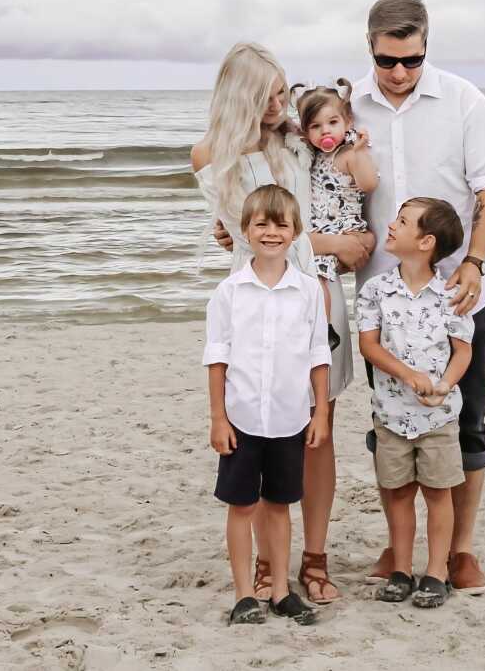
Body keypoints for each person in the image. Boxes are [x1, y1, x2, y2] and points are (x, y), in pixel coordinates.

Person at [192, 42, 369, 604]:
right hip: (253, 301)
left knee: (315, 430)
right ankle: (269, 563)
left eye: (281, 90)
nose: (279, 102)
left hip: (314, 293)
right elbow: (250, 233)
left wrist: (348, 233)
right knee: (255, 426)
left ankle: (313, 556)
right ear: (241, 94)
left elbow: (343, 186)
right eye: (268, 93)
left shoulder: (297, 141)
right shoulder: (209, 155)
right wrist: (337, 242)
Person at [352, 0, 485, 595]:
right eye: (389, 60)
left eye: (412, 61)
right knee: (390, 424)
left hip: (458, 292)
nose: (399, 73)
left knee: (463, 424)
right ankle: (399, 549)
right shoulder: (348, 106)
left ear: (425, 49)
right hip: (381, 297)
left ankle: (459, 552)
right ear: (371, 46)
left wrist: (473, 261)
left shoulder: (464, 100)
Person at [205, 185, 330, 625]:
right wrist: (219, 418)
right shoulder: (229, 292)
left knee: (279, 505)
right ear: (245, 230)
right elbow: (217, 357)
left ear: (295, 232)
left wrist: (321, 413)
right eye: (261, 223)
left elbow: (319, 354)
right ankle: (244, 594)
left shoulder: (309, 291)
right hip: (241, 418)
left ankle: (280, 590)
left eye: (281, 224)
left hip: (290, 417)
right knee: (242, 506)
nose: (271, 232)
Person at [357, 197, 473, 609]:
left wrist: (443, 385)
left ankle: (437, 571)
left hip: (438, 417)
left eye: (402, 222)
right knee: (398, 492)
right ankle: (401, 569)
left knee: (439, 493)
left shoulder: (450, 293)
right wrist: (408, 376)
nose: (391, 225)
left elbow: (462, 351)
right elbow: (368, 345)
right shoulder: (376, 290)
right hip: (391, 414)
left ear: (425, 242)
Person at [291, 78, 378, 328]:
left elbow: (369, 184)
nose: (325, 131)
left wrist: (360, 153)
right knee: (314, 272)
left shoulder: (348, 154)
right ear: (305, 131)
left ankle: (324, 328)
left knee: (318, 275)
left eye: (332, 122)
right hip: (322, 227)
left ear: (347, 121)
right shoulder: (314, 155)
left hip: (343, 225)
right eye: (315, 126)